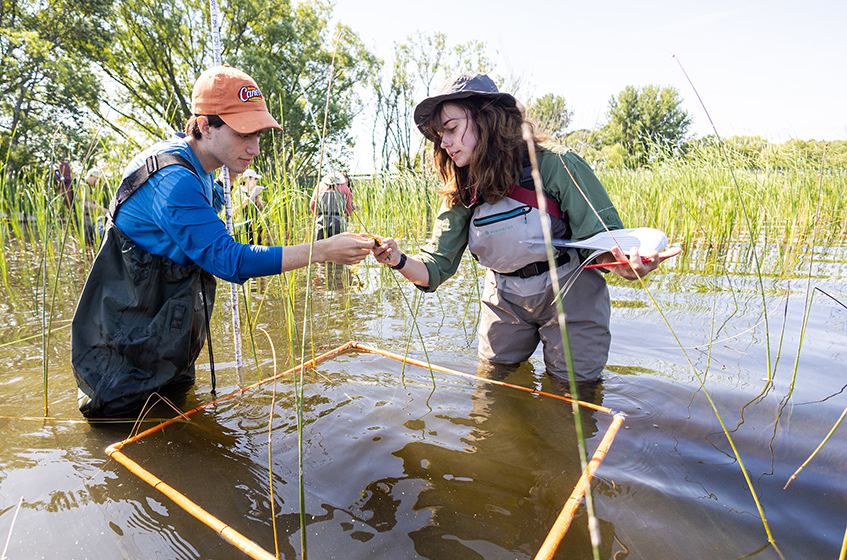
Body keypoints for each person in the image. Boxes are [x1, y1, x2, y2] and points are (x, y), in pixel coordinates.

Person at [71, 65, 374, 417]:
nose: (255, 148)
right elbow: (230, 261)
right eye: (244, 135)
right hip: (125, 350)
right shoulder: (173, 178)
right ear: (204, 126)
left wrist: (221, 177)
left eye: (258, 135)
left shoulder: (199, 165)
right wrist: (322, 249)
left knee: (180, 417)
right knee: (128, 428)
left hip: (165, 338)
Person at [372, 72, 664, 385]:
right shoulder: (459, 187)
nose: (444, 142)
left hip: (569, 290)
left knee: (574, 393)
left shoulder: (557, 164)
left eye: (451, 129)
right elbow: (433, 269)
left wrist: (626, 267)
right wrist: (397, 259)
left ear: (487, 119)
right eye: (439, 136)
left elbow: (604, 244)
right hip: (504, 298)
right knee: (494, 386)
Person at [309, 171, 355, 240]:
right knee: (338, 247)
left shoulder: (319, 186)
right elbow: (349, 210)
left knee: (320, 246)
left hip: (321, 221)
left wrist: (318, 215)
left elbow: (312, 205)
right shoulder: (345, 187)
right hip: (338, 222)